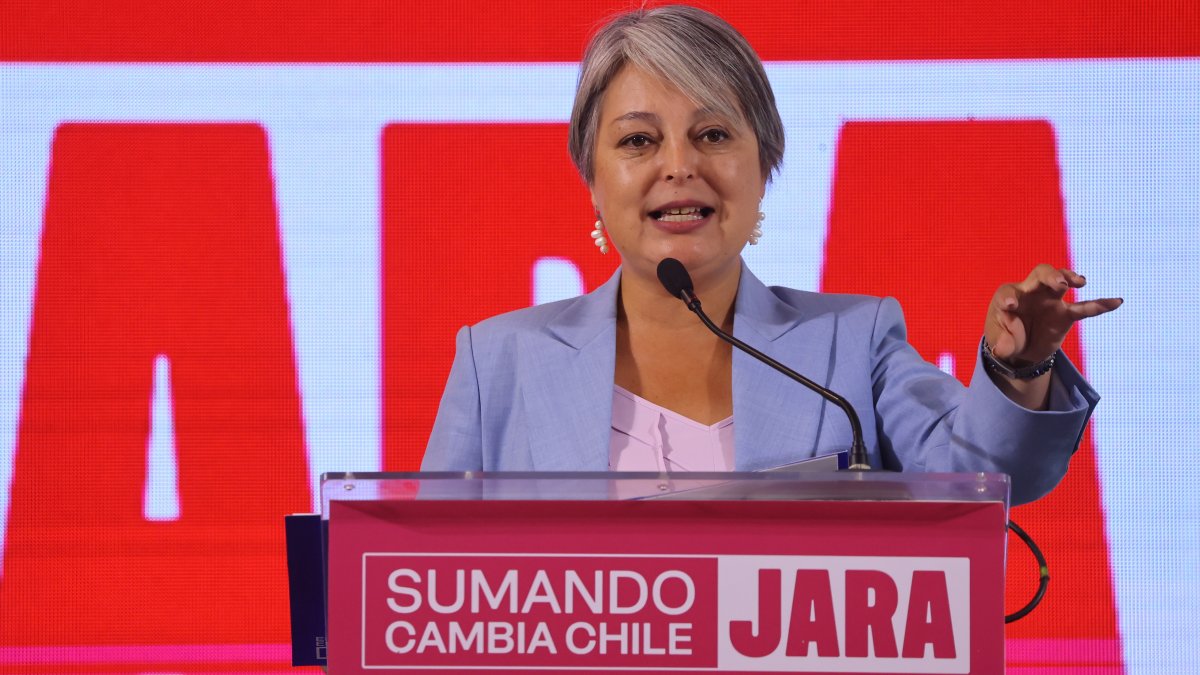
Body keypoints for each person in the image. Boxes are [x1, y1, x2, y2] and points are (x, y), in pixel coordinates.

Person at [420, 4, 1121, 505]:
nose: (679, 165)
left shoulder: (852, 344)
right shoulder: (499, 364)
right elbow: (425, 586)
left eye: (714, 135)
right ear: (593, 181)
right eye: (638, 141)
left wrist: (1017, 367)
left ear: (764, 170)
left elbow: (979, 479)